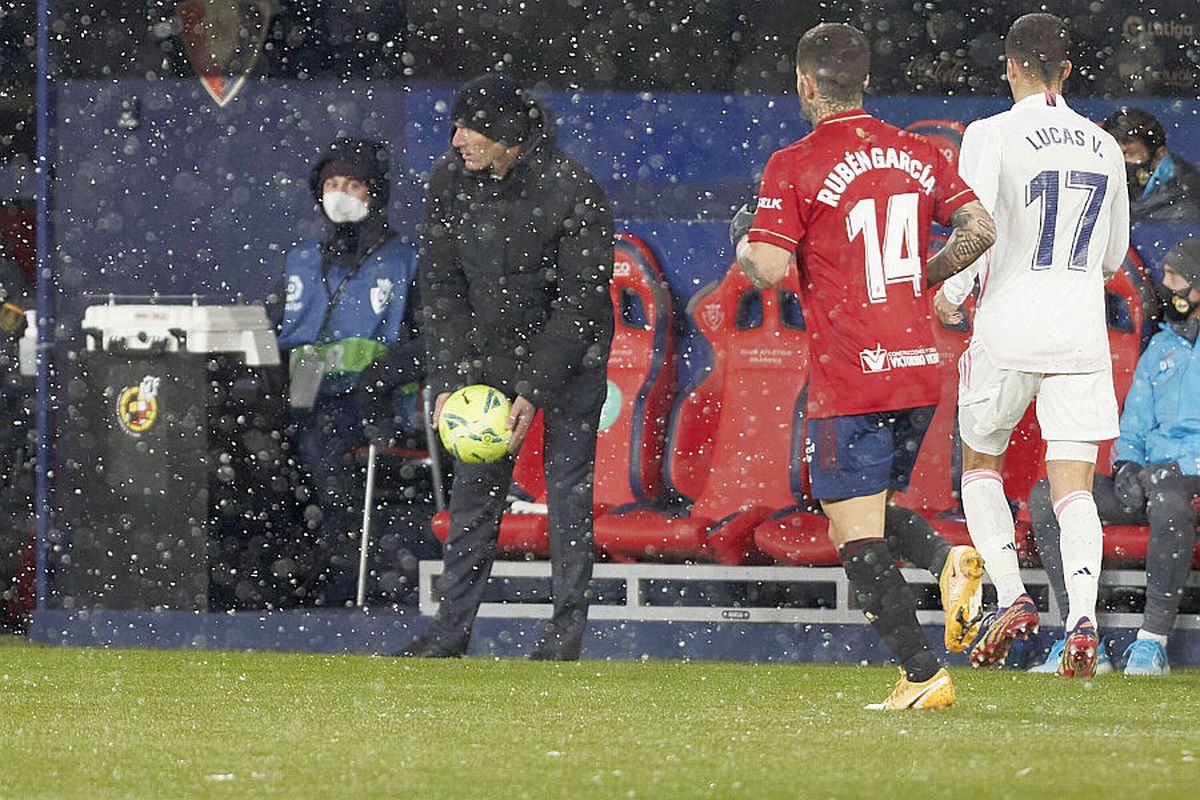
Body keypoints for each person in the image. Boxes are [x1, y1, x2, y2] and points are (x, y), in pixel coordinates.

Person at [732, 22, 995, 710]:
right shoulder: (918, 151)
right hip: (916, 371)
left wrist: (741, 245)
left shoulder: (794, 162)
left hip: (852, 375)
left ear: (805, 83)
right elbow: (981, 229)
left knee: (855, 537)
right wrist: (920, 278)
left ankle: (922, 673)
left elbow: (768, 267)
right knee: (866, 512)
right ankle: (944, 561)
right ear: (866, 81)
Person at [933, 13, 1130, 678]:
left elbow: (976, 229)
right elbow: (1113, 257)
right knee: (1074, 485)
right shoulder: (1105, 145)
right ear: (1066, 71)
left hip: (1009, 326)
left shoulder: (989, 134)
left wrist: (950, 291)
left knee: (980, 463)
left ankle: (1013, 595)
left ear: (1010, 65)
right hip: (1079, 331)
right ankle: (1083, 619)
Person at [398, 73, 613, 660]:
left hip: (572, 358)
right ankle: (449, 634)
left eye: (469, 129)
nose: (456, 140)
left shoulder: (572, 187)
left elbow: (581, 302)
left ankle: (563, 638)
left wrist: (532, 387)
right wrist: (450, 379)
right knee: (474, 495)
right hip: (488, 357)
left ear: (507, 134)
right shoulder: (448, 181)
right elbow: (441, 286)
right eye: (455, 127)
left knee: (567, 493)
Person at [1027, 237, 1200, 676]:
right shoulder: (1159, 348)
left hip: (1186, 483)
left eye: (1175, 278)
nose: (1165, 287)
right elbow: (1135, 421)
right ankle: (1082, 638)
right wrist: (1127, 466)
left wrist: (1181, 469)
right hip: (1150, 477)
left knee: (1170, 503)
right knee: (1049, 497)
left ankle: (1152, 643)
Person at [277, 137, 422, 606]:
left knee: (329, 458)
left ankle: (343, 587)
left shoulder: (406, 262)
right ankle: (285, 583)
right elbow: (277, 333)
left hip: (377, 406)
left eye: (353, 184)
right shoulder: (300, 261)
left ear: (375, 193)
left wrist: (377, 380)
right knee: (258, 456)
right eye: (331, 184)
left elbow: (430, 344)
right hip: (304, 401)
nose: (339, 194)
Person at [1102, 107, 1200, 222]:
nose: (1120, 161)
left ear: (1160, 153)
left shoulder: (1186, 202)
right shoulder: (1103, 193)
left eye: (1129, 154)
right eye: (1114, 154)